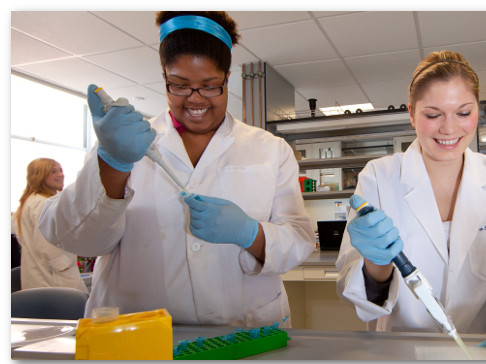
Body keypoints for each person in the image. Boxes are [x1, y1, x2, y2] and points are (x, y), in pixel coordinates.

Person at [38, 11, 315, 326]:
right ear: (164, 77)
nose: (195, 100)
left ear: (227, 78)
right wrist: (113, 163)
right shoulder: (126, 143)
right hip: (140, 333)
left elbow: (299, 240)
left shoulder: (269, 149)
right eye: (179, 86)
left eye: (210, 86)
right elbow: (77, 240)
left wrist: (250, 233)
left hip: (244, 330)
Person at [336, 51, 486, 360]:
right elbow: (359, 295)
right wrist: (376, 265)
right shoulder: (379, 177)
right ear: (411, 114)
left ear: (478, 111)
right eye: (433, 115)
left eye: (463, 112)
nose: (449, 128)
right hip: (404, 354)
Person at [12, 158, 88, 293]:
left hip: (37, 273)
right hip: (53, 277)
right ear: (39, 176)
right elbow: (46, 243)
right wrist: (64, 267)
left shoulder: (28, 201)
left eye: (61, 170)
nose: (60, 174)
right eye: (53, 171)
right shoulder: (42, 203)